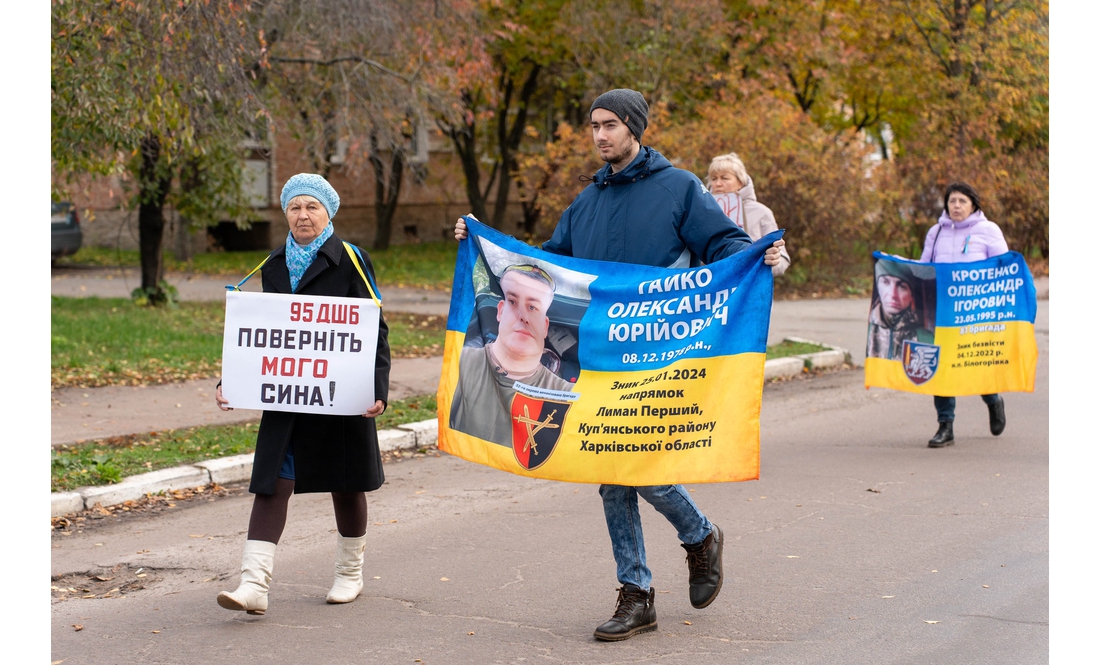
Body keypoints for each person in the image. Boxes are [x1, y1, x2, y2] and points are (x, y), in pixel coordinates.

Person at [456, 89, 787, 641]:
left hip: (658, 355)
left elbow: (724, 242)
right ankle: (640, 592)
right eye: (594, 126)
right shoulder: (585, 202)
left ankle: (697, 536)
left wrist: (757, 254)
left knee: (636, 468)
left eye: (610, 125)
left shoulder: (680, 187)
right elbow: (544, 265)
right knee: (609, 473)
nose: (600, 135)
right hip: (597, 359)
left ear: (635, 127)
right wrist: (482, 244)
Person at [213, 173, 391, 614]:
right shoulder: (272, 263)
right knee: (273, 482)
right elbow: (261, 335)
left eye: (311, 206)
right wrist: (233, 380)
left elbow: (374, 328)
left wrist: (377, 388)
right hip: (289, 395)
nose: (302, 215)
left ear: (328, 212)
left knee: (345, 483)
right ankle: (254, 585)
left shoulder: (350, 258)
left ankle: (350, 574)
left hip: (342, 392)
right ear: (285, 213)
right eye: (294, 207)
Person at [919, 181, 1009, 448]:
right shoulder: (935, 233)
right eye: (952, 201)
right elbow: (925, 268)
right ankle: (945, 426)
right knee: (941, 367)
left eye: (962, 201)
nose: (956, 206)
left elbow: (1003, 268)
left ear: (973, 205)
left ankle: (993, 401)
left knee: (975, 365)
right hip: (943, 311)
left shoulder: (988, 230)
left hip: (975, 312)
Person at [450, 263, 573, 444]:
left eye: (532, 307)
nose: (523, 316)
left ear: (545, 326)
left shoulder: (564, 394)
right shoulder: (462, 365)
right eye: (513, 302)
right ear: (500, 311)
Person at [706, 152, 791, 276]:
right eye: (714, 178)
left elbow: (782, 261)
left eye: (724, 178)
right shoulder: (702, 214)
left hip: (750, 290)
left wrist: (770, 261)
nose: (718, 183)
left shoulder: (761, 213)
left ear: (740, 182)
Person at [866, 259, 934, 360]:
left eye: (902, 286)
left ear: (911, 296)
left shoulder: (924, 338)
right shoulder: (870, 331)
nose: (893, 295)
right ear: (878, 287)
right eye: (885, 282)